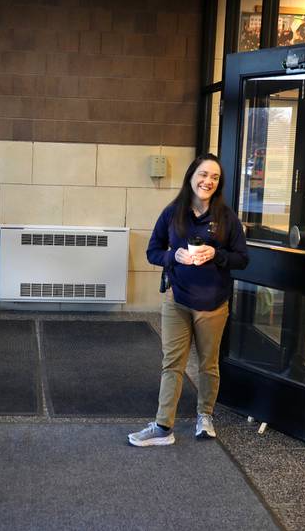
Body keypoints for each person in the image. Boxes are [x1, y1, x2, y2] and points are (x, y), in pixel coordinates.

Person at [128, 153, 249, 447]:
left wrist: (216, 254)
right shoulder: (173, 212)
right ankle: (162, 427)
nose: (208, 181)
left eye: (215, 177)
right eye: (203, 174)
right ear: (192, 176)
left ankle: (204, 417)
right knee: (173, 363)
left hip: (213, 303)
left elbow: (243, 259)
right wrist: (173, 255)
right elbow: (152, 251)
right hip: (178, 299)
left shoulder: (226, 217)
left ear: (218, 184)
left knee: (208, 365)